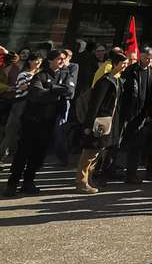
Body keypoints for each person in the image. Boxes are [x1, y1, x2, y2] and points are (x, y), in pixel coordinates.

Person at [5, 49, 78, 195]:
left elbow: (70, 92)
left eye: (63, 58)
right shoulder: (41, 75)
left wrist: (50, 88)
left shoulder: (65, 74)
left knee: (38, 154)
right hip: (32, 120)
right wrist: (57, 91)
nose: (62, 61)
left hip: (49, 120)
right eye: (59, 58)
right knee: (23, 153)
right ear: (50, 60)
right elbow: (37, 94)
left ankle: (28, 182)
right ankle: (12, 184)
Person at [76, 51, 129, 194]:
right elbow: (95, 104)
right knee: (90, 152)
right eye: (123, 64)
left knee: (98, 152)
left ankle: (89, 178)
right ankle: (81, 181)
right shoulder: (105, 81)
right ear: (115, 64)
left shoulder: (117, 80)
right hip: (99, 123)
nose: (125, 66)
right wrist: (88, 125)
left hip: (109, 123)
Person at [119, 47, 152, 182]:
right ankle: (111, 170)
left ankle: (131, 173)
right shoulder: (131, 70)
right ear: (141, 56)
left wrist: (150, 112)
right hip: (128, 113)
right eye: (147, 57)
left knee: (137, 145)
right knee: (120, 144)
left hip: (143, 115)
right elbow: (123, 91)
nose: (149, 60)